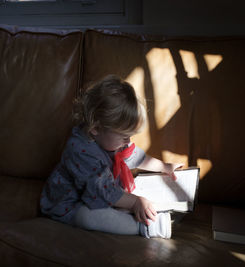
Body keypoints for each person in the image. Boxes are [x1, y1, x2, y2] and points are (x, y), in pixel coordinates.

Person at [40, 75, 183, 239]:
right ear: (96, 128)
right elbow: (103, 192)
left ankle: (153, 213)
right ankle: (143, 226)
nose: (128, 141)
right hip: (71, 204)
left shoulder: (110, 140)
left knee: (126, 201)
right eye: (124, 137)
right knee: (88, 217)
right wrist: (135, 202)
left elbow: (136, 156)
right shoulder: (80, 151)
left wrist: (164, 167)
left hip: (102, 193)